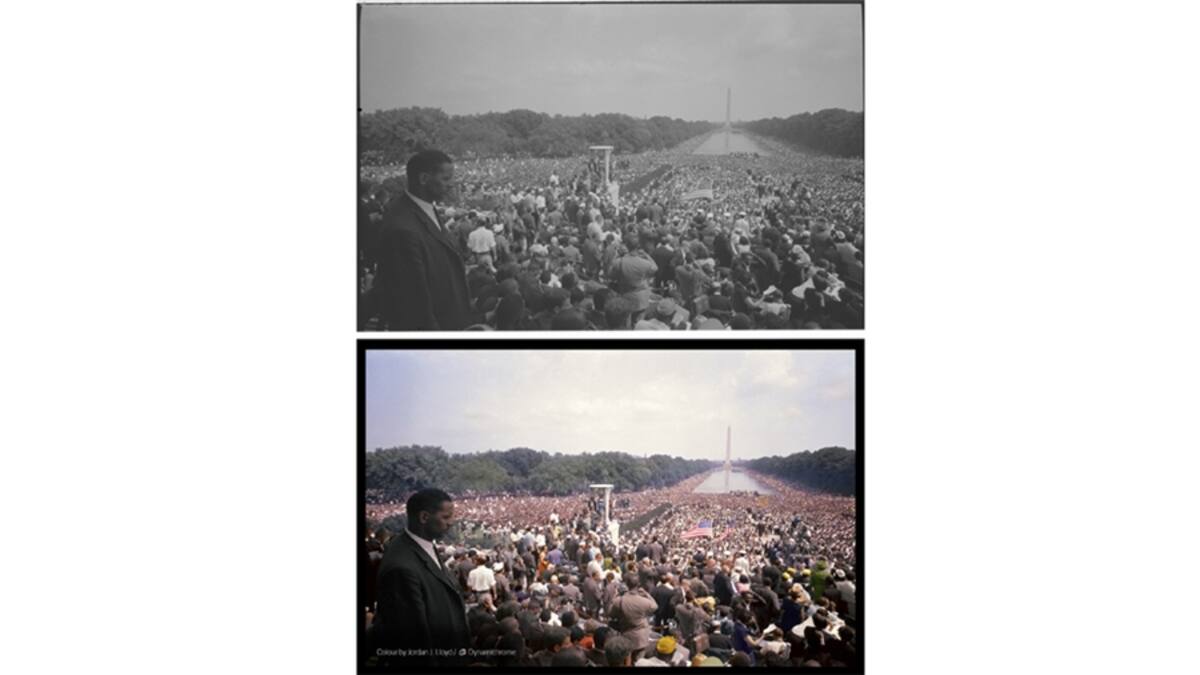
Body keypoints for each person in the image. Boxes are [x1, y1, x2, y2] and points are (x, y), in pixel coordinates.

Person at [371, 488, 471, 666]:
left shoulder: (423, 545)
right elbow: (414, 641)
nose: (451, 522)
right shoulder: (401, 567)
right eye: (446, 517)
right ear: (424, 517)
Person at [375, 150, 472, 330]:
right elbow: (414, 302)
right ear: (424, 179)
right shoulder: (402, 227)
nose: (451, 185)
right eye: (445, 179)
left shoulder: (426, 208)